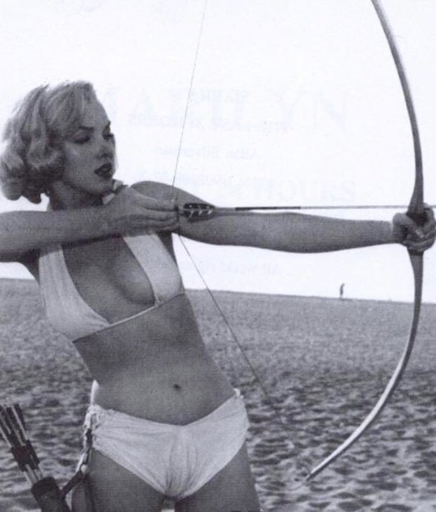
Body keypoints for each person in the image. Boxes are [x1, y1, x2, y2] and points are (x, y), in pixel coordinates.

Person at [0, 81, 434, 512]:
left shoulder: (150, 201)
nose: (104, 148)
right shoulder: (35, 241)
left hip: (215, 434)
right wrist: (109, 220)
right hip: (126, 445)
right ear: (46, 154)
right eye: (84, 138)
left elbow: (262, 228)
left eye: (108, 133)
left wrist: (388, 232)